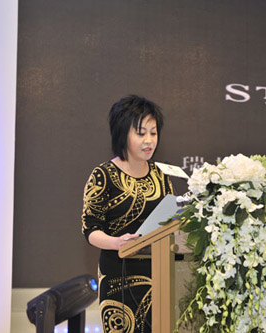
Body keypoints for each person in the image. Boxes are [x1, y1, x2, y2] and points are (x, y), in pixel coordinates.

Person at [81, 95, 173, 333]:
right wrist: (116, 242)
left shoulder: (161, 175)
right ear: (123, 133)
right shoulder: (103, 175)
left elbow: (171, 222)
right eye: (141, 133)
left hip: (159, 276)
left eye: (153, 133)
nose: (149, 140)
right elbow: (90, 229)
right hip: (118, 277)